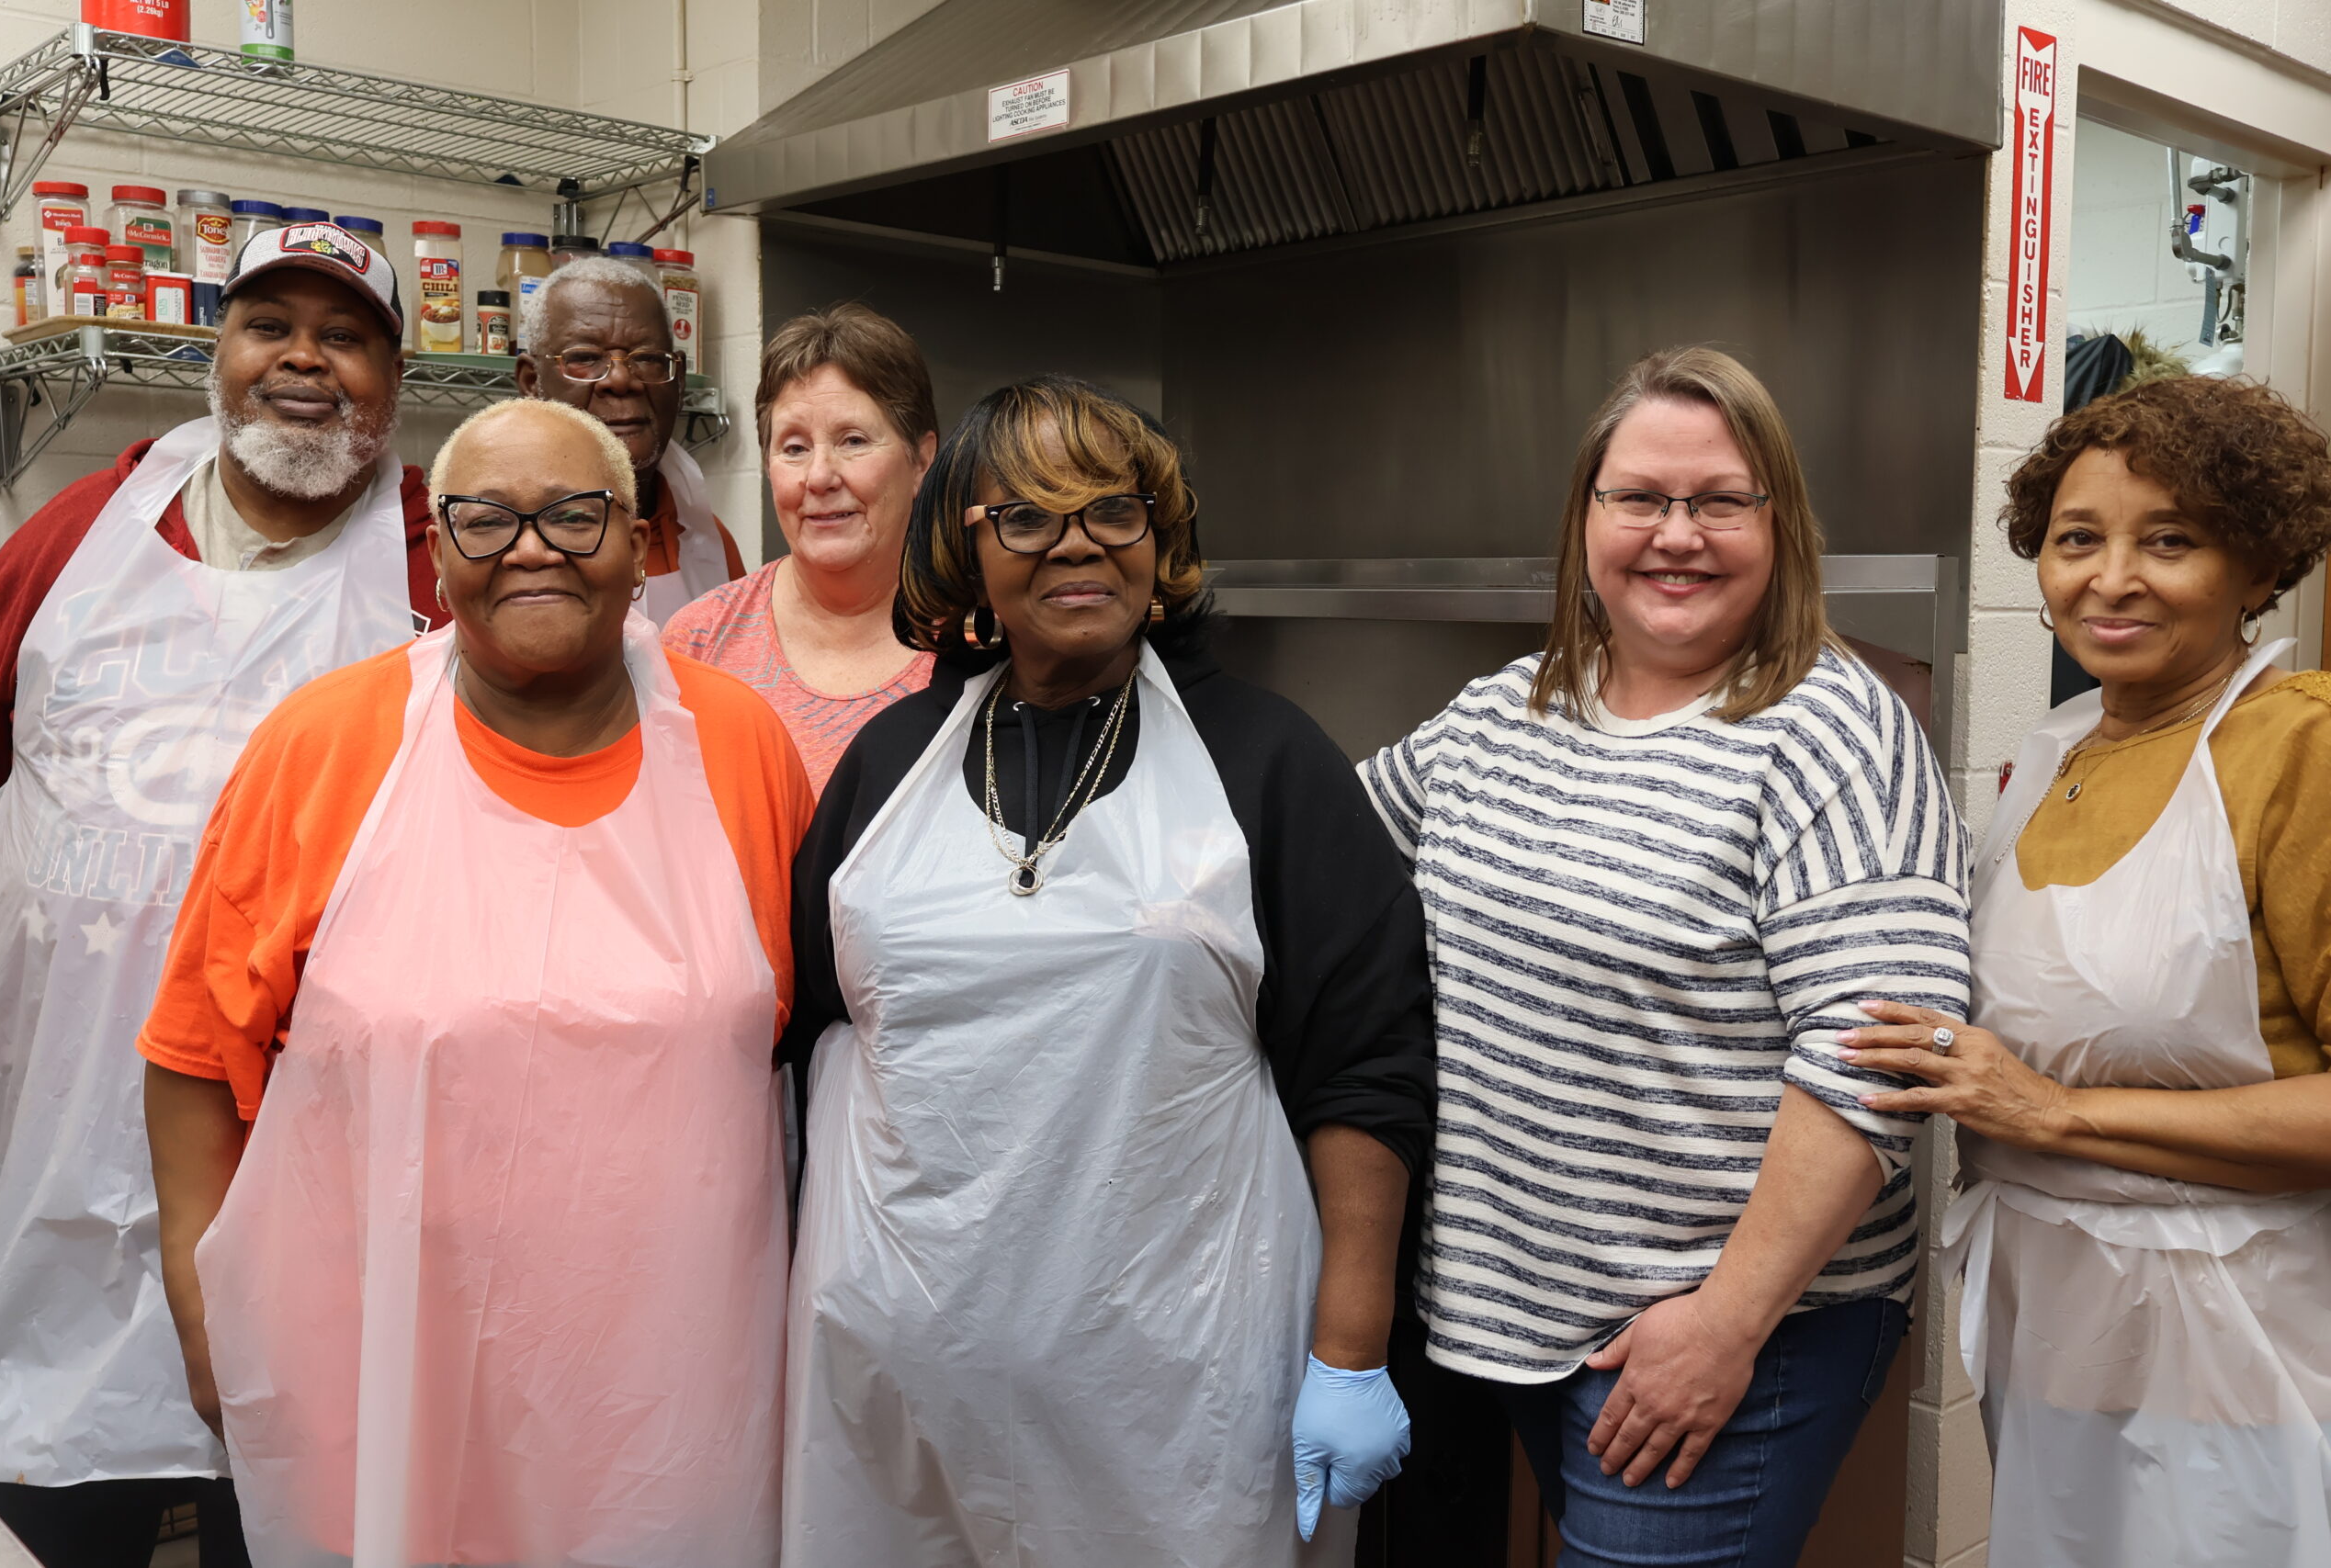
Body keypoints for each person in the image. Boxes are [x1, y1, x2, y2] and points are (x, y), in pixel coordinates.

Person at [139, 400, 811, 1567]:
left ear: (636, 543)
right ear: (438, 555)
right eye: (486, 519)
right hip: (372, 1380)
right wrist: (208, 1329)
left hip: (669, 1396)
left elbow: (793, 1064)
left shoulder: (743, 748)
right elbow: (196, 1057)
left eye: (575, 513)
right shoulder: (323, 745)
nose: (534, 546)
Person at [779, 376, 1432, 1565]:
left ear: (1159, 537)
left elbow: (1366, 1066)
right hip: (899, 1397)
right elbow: (807, 1039)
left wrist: (1351, 1343)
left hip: (1181, 1403)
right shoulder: (889, 763)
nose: (1076, 540)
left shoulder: (1268, 762)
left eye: (1113, 509)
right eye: (1025, 514)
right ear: (963, 549)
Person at [1360, 346, 1970, 1567]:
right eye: (1639, 496)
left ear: (1780, 523)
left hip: (1730, 1326)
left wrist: (1724, 1325)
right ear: (1586, 515)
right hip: (1512, 1314)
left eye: (1719, 501)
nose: (1675, 532)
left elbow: (1873, 1054)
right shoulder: (1506, 711)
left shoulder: (1833, 730)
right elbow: (1329, 872)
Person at [0, 220, 443, 1568]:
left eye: (345, 336)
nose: (303, 361)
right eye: (268, 327)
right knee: (56, 1466)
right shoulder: (81, 531)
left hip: (296, 1123)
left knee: (292, 1477)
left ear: (394, 379)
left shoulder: (435, 561)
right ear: (218, 353)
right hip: (45, 1102)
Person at [1845, 376, 2331, 1566]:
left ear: (2259, 565)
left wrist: (2053, 1109)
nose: (2110, 578)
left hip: (2230, 1326)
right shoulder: (2052, 748)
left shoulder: (2298, 745)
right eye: (2078, 539)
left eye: (2171, 539)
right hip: (2047, 1308)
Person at [664, 302, 936, 793]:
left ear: (920, 459)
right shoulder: (699, 642)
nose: (819, 476)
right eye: (794, 447)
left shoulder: (979, 636)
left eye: (853, 441)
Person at [515, 254, 745, 620]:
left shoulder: (710, 541)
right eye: (586, 357)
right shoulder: (493, 540)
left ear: (679, 379)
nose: (621, 380)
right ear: (532, 382)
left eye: (648, 358)